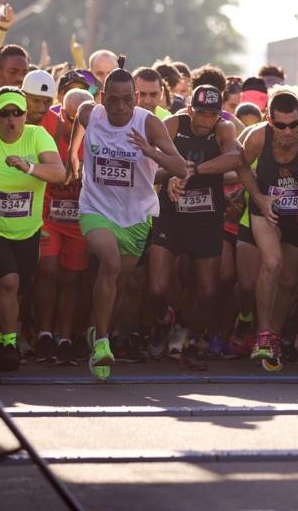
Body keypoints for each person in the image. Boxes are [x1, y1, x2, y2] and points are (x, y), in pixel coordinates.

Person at [69, 69, 189, 380]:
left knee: (118, 280)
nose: (119, 107)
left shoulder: (148, 123)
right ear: (102, 99)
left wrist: (151, 152)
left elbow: (180, 166)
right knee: (109, 264)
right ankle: (102, 343)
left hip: (136, 216)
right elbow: (78, 126)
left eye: (126, 100)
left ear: (135, 99)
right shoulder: (89, 113)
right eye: (113, 101)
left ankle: (98, 327)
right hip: (95, 207)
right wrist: (73, 155)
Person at [0, 87, 66, 371]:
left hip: (27, 229)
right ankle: (7, 343)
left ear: (25, 115)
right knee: (8, 281)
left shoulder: (37, 135)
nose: (11, 119)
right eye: (4, 113)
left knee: (17, 288)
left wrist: (28, 167)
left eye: (17, 113)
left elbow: (59, 173)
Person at [237, 90, 298, 370]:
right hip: (266, 210)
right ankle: (263, 334)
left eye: (294, 124)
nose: (288, 131)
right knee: (272, 263)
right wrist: (258, 197)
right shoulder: (257, 137)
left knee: (290, 280)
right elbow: (241, 166)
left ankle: (275, 336)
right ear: (270, 120)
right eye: (281, 125)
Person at [149, 85, 241, 367]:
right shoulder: (174, 123)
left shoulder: (223, 129)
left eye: (212, 114)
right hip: (171, 215)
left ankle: (188, 332)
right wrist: (171, 175)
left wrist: (193, 171)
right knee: (157, 287)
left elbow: (236, 158)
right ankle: (167, 318)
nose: (206, 121)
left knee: (208, 290)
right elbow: (149, 161)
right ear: (190, 110)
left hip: (206, 217)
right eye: (201, 113)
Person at [35, 88, 92, 365]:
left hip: (79, 217)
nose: (75, 126)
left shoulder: (98, 132)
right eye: (70, 119)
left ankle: (65, 337)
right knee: (47, 269)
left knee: (71, 277)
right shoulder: (47, 124)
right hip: (47, 212)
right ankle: (44, 333)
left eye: (81, 121)